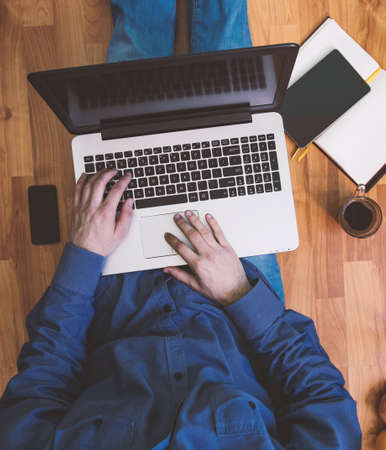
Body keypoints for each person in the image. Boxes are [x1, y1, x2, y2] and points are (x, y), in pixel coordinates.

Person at [0, 1, 361, 448]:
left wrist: (84, 256)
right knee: (232, 75)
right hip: (236, 295)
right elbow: (321, 398)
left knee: (132, 67)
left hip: (111, 288)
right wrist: (238, 293)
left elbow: (43, 382)